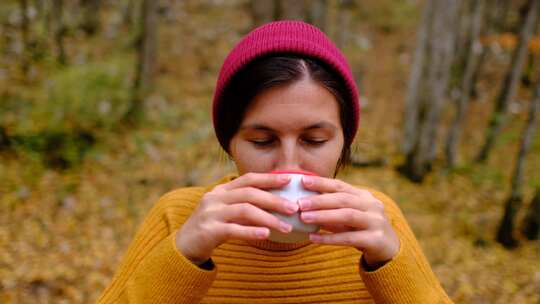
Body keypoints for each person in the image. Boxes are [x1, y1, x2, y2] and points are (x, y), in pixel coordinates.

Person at [97, 20, 453, 303]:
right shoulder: (179, 217)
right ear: (230, 142)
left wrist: (391, 264)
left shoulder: (375, 222)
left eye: (314, 140)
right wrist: (184, 255)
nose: (289, 167)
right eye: (262, 141)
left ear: (345, 142)